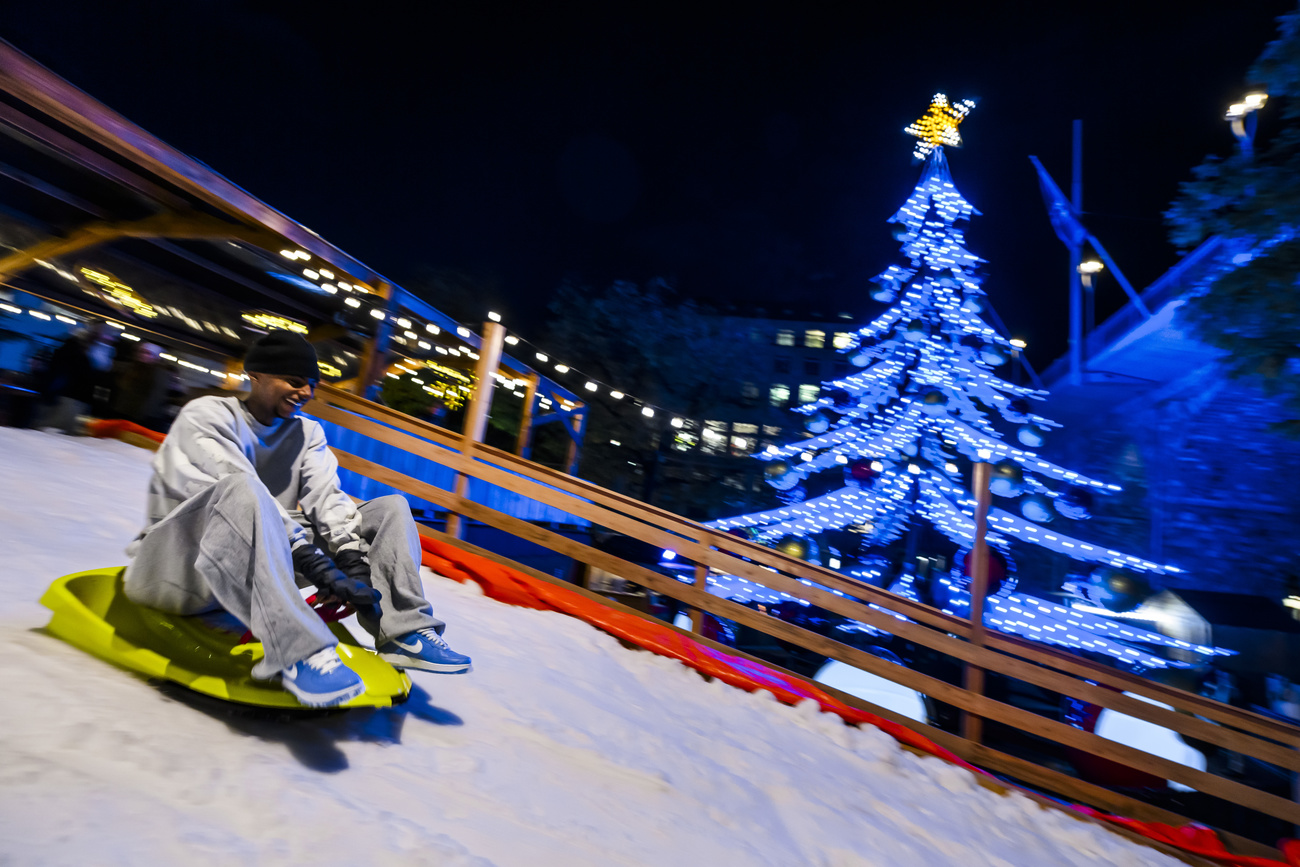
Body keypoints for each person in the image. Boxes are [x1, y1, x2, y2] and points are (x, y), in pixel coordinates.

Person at [124, 330, 471, 707]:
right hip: (174, 568)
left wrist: (351, 560)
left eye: (310, 384)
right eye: (294, 381)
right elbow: (234, 483)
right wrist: (314, 562)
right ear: (255, 375)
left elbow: (327, 496)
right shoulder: (207, 416)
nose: (305, 392)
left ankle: (404, 631)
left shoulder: (308, 432)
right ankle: (296, 649)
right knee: (243, 489)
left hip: (250, 565)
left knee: (390, 509)